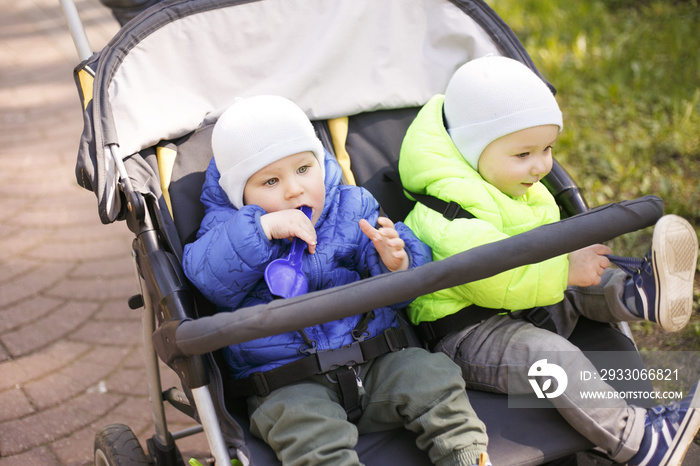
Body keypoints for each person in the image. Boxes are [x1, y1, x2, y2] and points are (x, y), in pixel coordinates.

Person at [398, 56, 700, 466]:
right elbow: (490, 273)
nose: (541, 166)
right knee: (553, 358)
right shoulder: (441, 211)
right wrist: (563, 268)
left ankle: (638, 294)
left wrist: (571, 264)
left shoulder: (516, 183)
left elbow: (540, 254)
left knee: (586, 271)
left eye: (548, 149)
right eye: (524, 153)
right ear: (472, 150)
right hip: (468, 334)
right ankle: (641, 443)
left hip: (524, 301)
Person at [183, 95, 491, 466]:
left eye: (302, 169)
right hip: (286, 382)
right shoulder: (223, 229)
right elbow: (208, 278)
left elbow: (398, 293)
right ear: (239, 193)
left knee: (432, 377)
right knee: (307, 433)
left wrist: (397, 262)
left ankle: (466, 454)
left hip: (377, 359)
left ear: (319, 162)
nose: (294, 190)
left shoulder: (351, 206)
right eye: (270, 181)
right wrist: (261, 230)